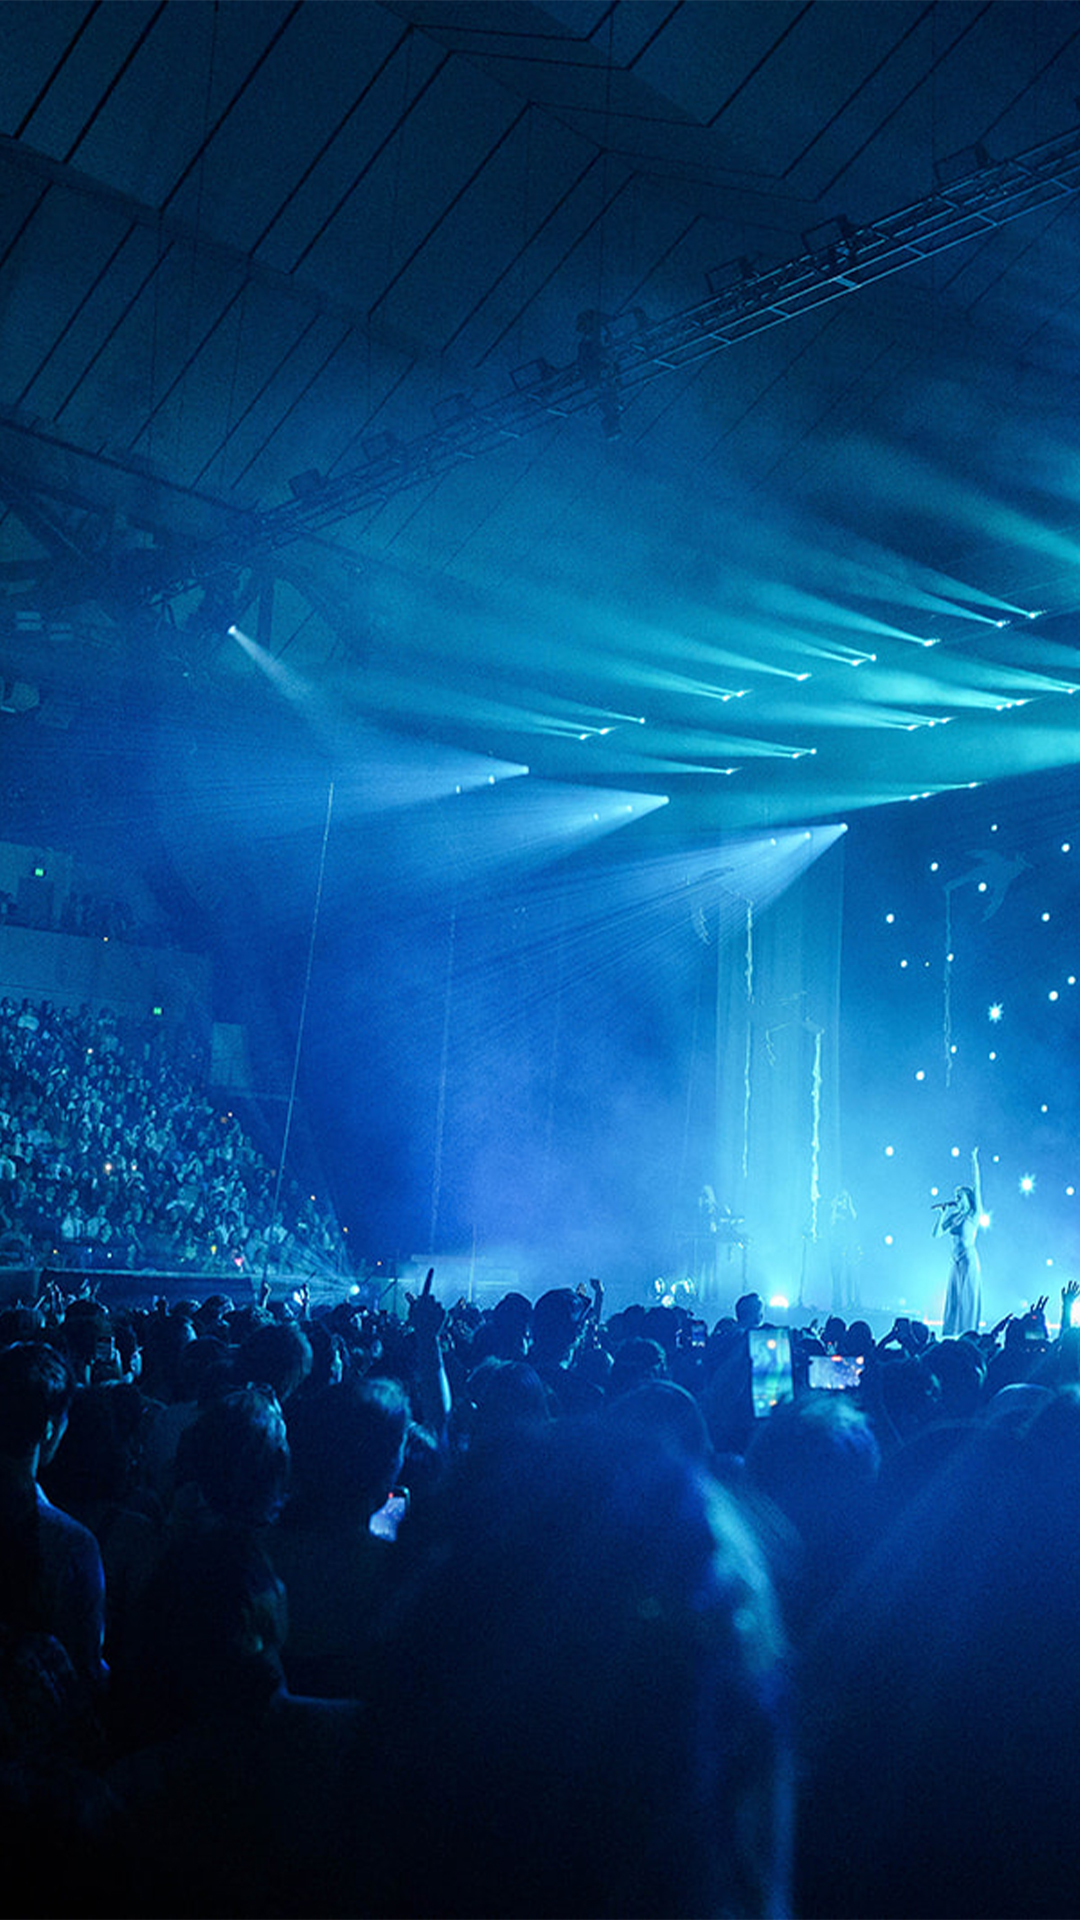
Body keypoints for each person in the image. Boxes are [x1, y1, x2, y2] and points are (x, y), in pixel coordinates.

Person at [934, 1148, 982, 1336]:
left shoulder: (974, 1215)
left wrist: (974, 1162)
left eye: (959, 1197)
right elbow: (936, 1234)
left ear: (967, 1199)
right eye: (956, 1197)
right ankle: (949, 1334)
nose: (956, 1199)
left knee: (967, 1300)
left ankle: (967, 1334)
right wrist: (942, 1214)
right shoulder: (954, 1216)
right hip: (955, 1261)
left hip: (968, 1259)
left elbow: (977, 1186)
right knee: (954, 1299)